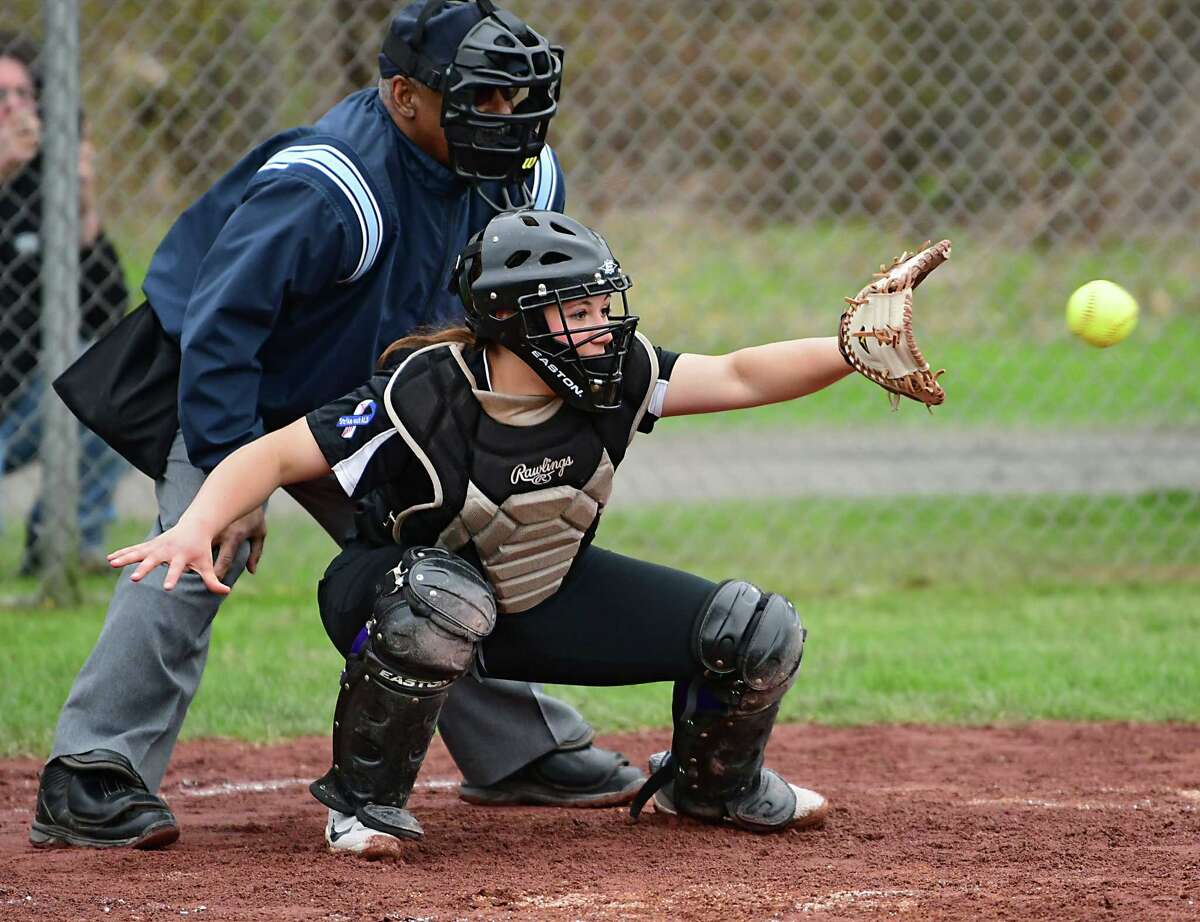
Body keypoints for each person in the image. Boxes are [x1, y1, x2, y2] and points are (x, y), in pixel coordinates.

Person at [30, 1, 642, 852]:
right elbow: (220, 322)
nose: (511, 122)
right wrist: (226, 474)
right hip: (242, 392)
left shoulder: (525, 179)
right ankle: (89, 773)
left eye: (519, 100)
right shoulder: (331, 185)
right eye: (485, 101)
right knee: (196, 547)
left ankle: (519, 752)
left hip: (376, 401)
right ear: (404, 96)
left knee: (443, 558)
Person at [103, 208, 848, 857]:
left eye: (601, 307)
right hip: (392, 595)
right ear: (512, 319)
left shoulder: (616, 370)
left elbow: (742, 375)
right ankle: (364, 805)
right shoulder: (426, 391)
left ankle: (714, 789)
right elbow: (275, 453)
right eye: (577, 312)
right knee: (438, 599)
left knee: (756, 630)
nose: (602, 327)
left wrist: (851, 352)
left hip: (543, 597)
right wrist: (196, 524)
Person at [0, 32, 128, 575]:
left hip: (24, 399)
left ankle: (63, 547)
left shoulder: (41, 185)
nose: (16, 111)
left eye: (24, 96)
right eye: (1, 100)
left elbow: (106, 310)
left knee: (112, 375)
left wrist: (83, 201)